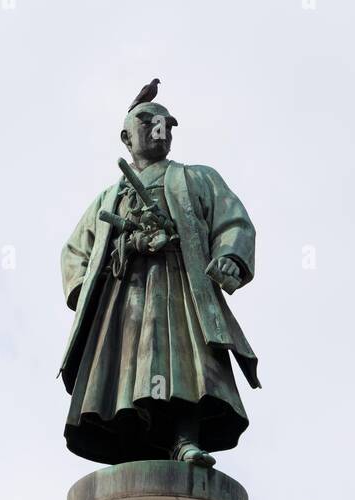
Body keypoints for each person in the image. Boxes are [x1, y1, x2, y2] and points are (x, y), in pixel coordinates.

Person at [60, 97, 260, 466]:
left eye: (167, 125)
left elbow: (233, 223)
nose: (160, 130)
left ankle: (185, 439)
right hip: (123, 295)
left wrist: (230, 257)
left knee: (186, 360)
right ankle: (131, 444)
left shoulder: (197, 178)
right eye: (149, 122)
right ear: (126, 136)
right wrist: (92, 283)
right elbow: (75, 253)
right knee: (125, 369)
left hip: (181, 284)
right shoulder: (110, 197)